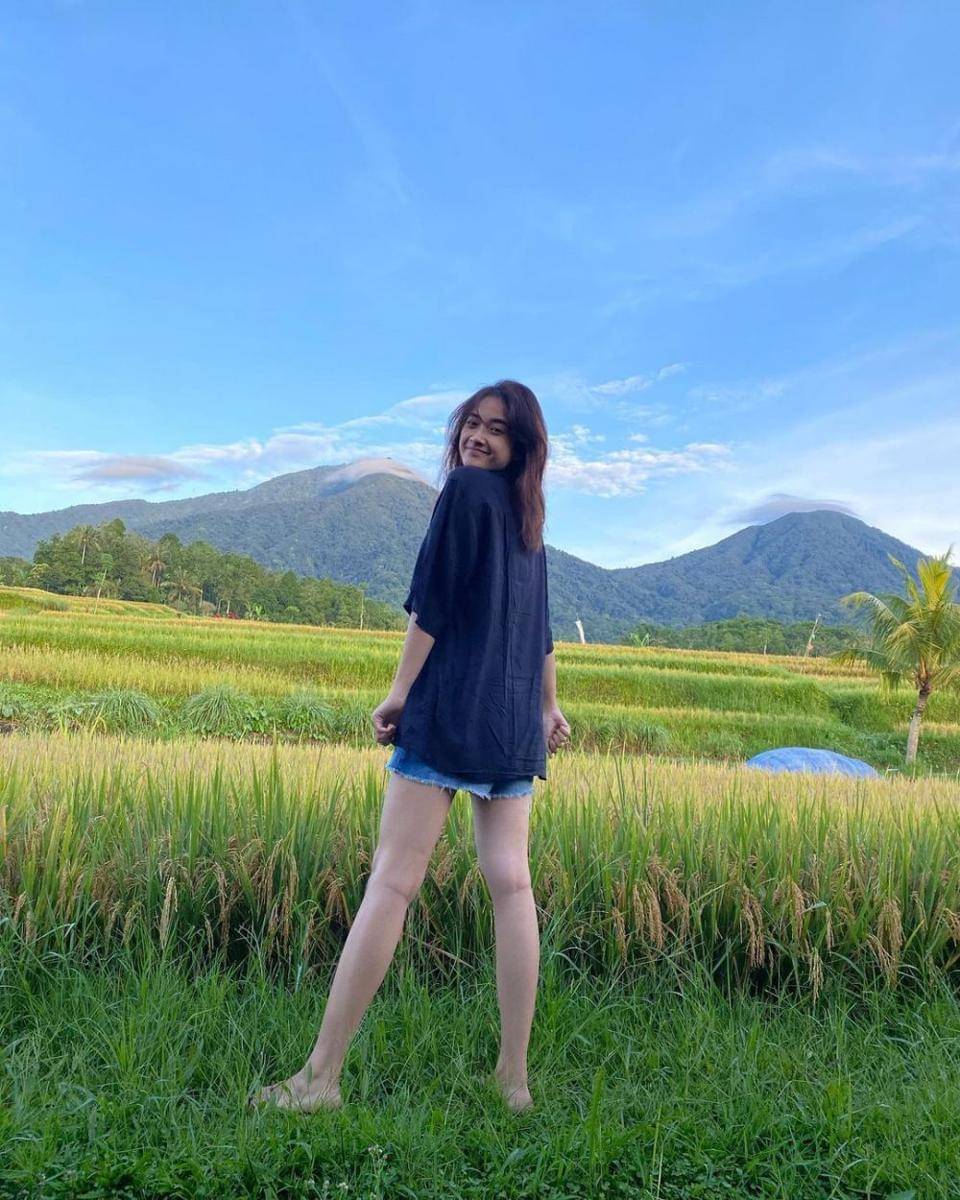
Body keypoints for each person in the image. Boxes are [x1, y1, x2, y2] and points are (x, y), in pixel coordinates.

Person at [250, 380, 570, 1115]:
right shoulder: (529, 518)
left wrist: (398, 693)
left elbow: (432, 604)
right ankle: (513, 1082)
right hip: (511, 723)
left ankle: (320, 1081)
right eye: (472, 424)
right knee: (512, 888)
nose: (477, 437)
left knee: (392, 884)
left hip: (451, 708)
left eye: (496, 430)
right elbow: (542, 631)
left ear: (522, 444)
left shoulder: (464, 492)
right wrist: (548, 706)